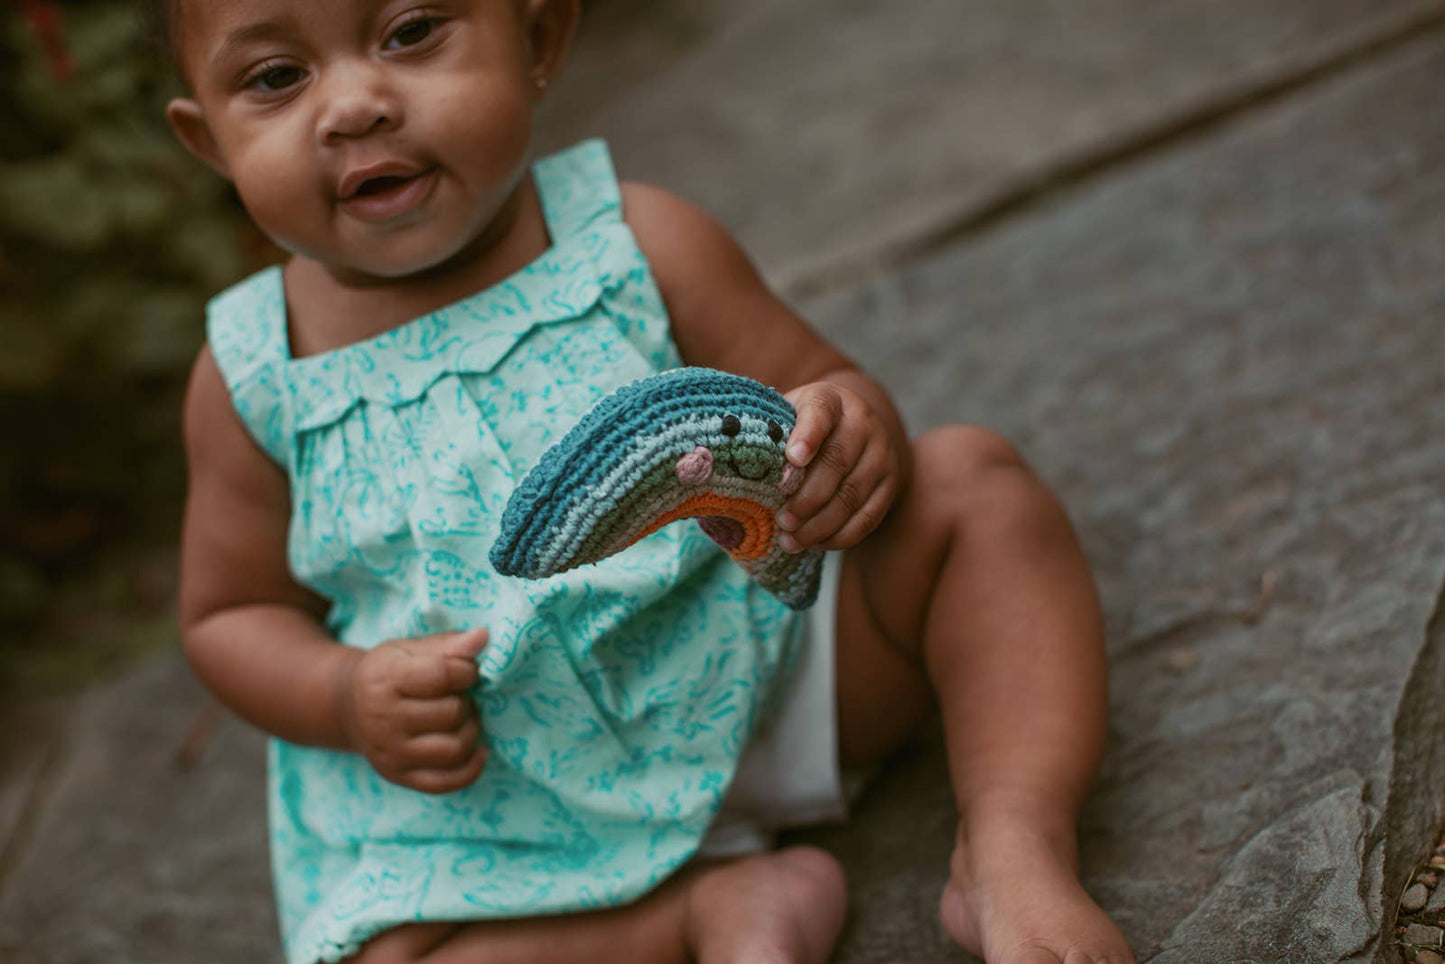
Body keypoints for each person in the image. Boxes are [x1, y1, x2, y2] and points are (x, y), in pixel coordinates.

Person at [164, 0, 1135, 962]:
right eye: (275, 78)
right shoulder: (255, 375)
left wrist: (846, 433)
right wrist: (341, 694)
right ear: (210, 144)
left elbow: (821, 385)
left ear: (536, 39)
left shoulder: (635, 239)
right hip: (501, 814)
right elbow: (229, 613)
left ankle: (1011, 845)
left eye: (411, 30)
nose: (353, 104)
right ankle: (693, 919)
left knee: (972, 485)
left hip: (765, 675)